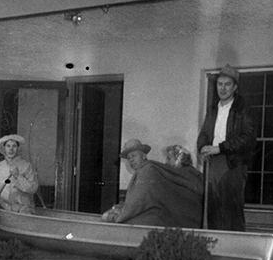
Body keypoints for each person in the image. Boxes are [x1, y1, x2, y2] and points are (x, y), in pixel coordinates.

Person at [197, 65, 257, 231]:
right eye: (219, 84)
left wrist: (220, 148)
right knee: (213, 210)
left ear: (235, 87)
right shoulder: (213, 109)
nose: (222, 88)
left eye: (227, 84)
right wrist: (203, 148)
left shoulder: (243, 108)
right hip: (213, 164)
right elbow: (203, 134)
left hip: (233, 163)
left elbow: (248, 138)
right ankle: (216, 250)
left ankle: (235, 250)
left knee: (231, 211)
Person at [102, 139, 204, 227]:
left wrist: (119, 216)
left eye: (134, 155)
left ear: (143, 155)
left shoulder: (149, 170)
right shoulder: (153, 171)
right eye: (129, 158)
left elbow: (137, 202)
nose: (131, 160)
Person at [0, 134, 39, 213]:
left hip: (23, 210)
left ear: (18, 148)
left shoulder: (26, 166)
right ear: (4, 149)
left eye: (14, 146)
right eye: (8, 146)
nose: (11, 149)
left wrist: (18, 176)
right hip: (3, 209)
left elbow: (33, 188)